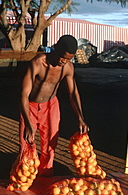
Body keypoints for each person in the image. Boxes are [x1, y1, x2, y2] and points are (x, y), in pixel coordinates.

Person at [19, 34, 90, 177]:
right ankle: (23, 179)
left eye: (69, 59)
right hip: (30, 106)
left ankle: (46, 175)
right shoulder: (38, 63)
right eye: (63, 57)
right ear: (56, 49)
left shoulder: (68, 68)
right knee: (26, 144)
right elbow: (24, 95)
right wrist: (27, 123)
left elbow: (73, 93)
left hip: (51, 107)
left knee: (49, 145)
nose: (64, 61)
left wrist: (80, 118)